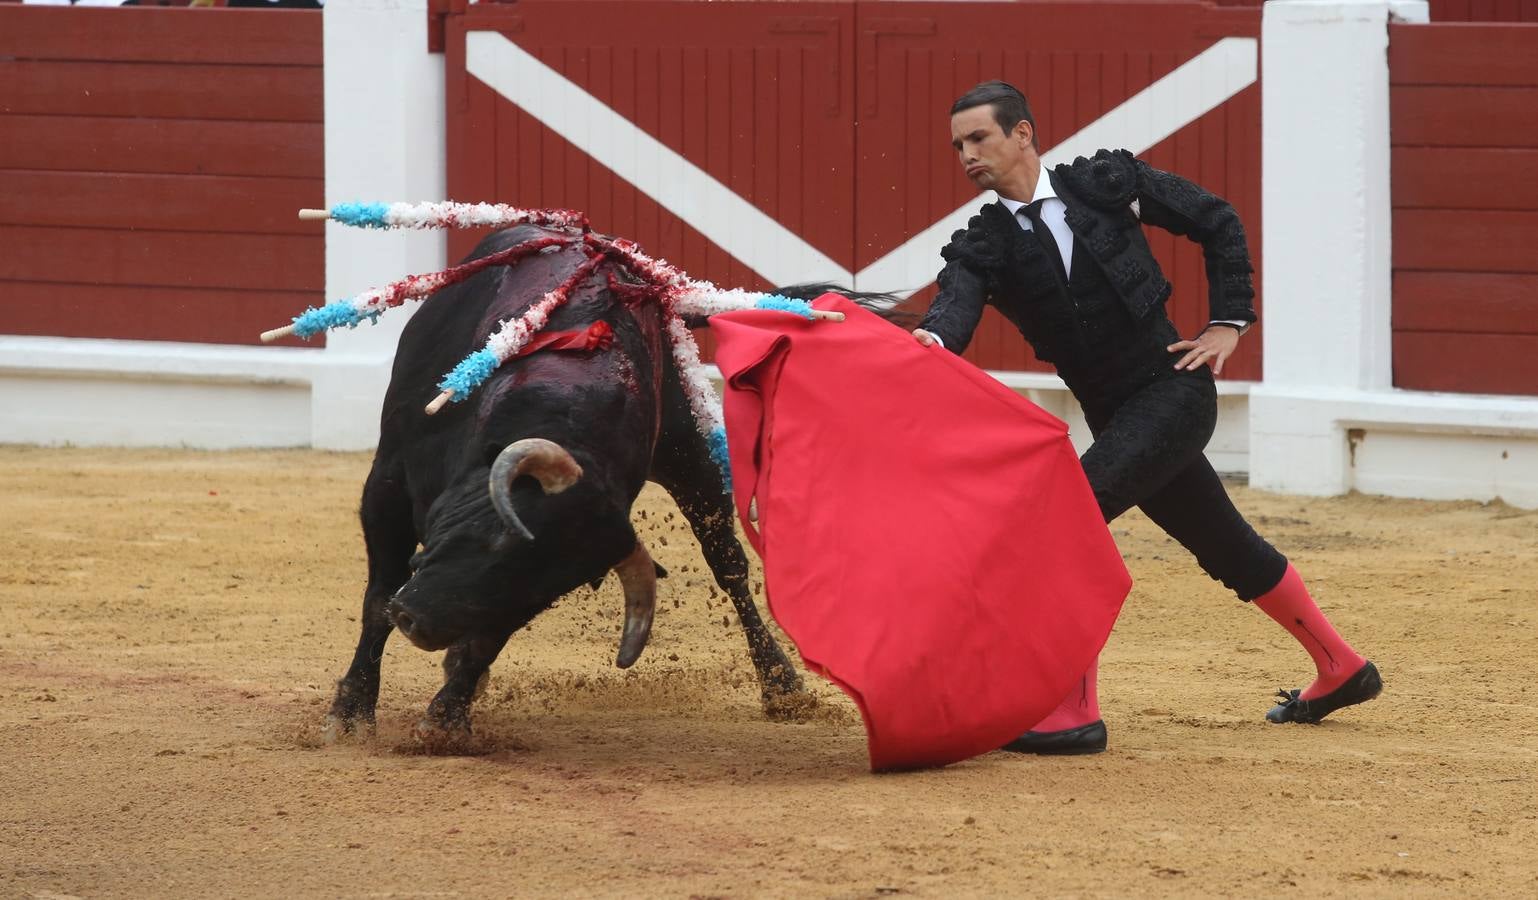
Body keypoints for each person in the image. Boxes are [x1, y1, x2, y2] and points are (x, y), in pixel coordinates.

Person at [914, 81, 1382, 754]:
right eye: (958, 145)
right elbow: (950, 315)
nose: (967, 155)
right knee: (1225, 543)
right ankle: (1341, 668)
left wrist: (1229, 320)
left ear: (1022, 134)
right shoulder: (983, 244)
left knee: (1066, 522)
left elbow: (1215, 219)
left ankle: (1074, 712)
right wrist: (927, 343)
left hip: (1173, 392)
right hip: (1116, 417)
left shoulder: (1104, 184)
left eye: (979, 138)